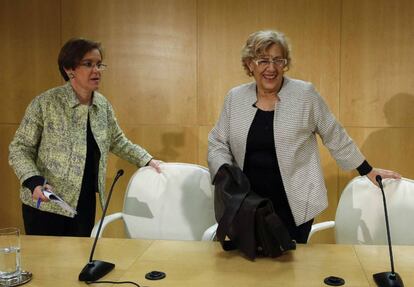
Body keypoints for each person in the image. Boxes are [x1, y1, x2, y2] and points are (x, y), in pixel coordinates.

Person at [207, 30, 401, 243]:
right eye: (263, 60)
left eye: (278, 60)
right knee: (248, 268)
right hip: (247, 202)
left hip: (294, 203)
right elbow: (217, 140)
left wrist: (367, 170)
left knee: (290, 268)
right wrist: (223, 170)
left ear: (285, 63)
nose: (271, 68)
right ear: (250, 64)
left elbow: (334, 133)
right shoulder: (235, 98)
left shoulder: (304, 95)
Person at [9, 38, 162, 237]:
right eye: (88, 64)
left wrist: (147, 160)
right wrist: (33, 181)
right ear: (69, 69)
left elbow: (117, 141)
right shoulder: (46, 103)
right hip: (46, 204)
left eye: (99, 65)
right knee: (48, 266)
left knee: (79, 262)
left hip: (84, 203)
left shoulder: (102, 105)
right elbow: (19, 148)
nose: (96, 70)